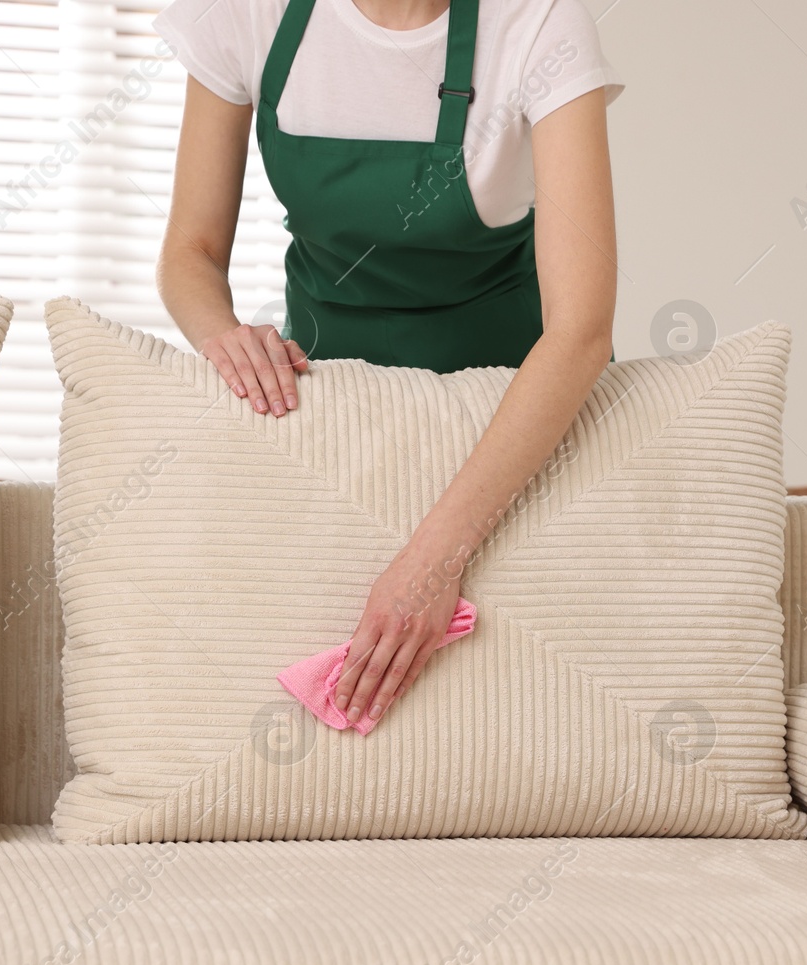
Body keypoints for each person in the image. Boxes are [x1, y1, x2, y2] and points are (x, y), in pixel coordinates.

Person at [154, 0, 623, 729]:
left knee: (508, 710)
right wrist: (223, 335)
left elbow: (582, 331)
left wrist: (438, 556)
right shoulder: (249, 13)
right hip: (339, 421)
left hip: (516, 432)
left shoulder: (539, 23)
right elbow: (191, 252)